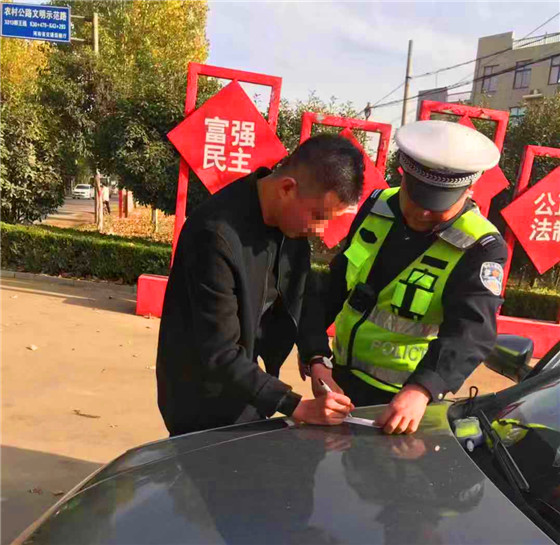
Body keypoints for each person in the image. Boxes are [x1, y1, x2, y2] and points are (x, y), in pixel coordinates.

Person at [300, 120, 508, 435]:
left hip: (405, 403)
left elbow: (471, 333)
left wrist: (422, 389)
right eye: (415, 196)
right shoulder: (377, 207)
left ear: (469, 190)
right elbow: (335, 286)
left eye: (437, 204)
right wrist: (315, 355)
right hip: (340, 382)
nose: (422, 212)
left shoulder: (480, 246)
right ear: (403, 175)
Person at [156, 134, 364, 436]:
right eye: (318, 216)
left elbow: (302, 297)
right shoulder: (215, 235)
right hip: (201, 397)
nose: (320, 230)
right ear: (287, 188)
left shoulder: (291, 226)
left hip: (248, 385)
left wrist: (317, 359)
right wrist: (296, 406)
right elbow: (219, 351)